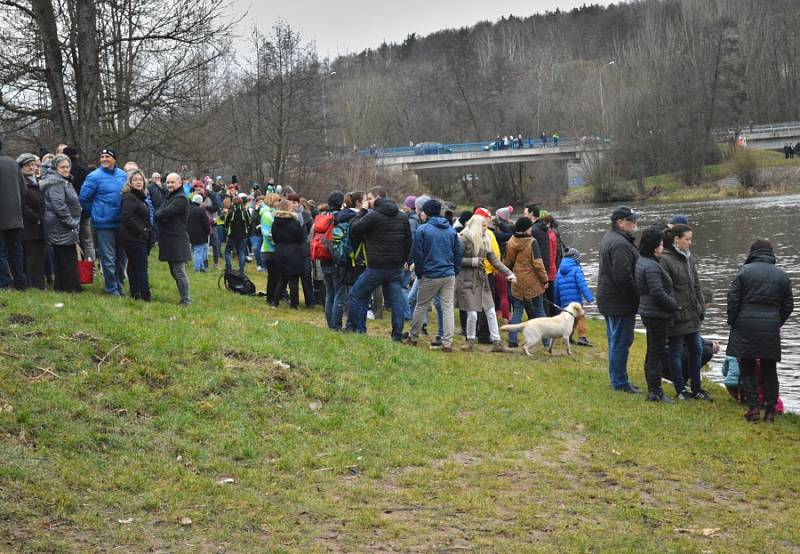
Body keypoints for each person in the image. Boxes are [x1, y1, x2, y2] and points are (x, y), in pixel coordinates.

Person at [726, 239, 794, 422]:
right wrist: (777, 321)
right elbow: (789, 305)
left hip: (745, 325)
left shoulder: (743, 272)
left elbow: (733, 299)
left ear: (752, 252)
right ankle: (770, 411)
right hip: (770, 326)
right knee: (769, 368)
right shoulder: (782, 275)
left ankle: (754, 407)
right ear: (770, 253)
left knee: (747, 366)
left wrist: (733, 321)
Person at [346, 187, 411, 341]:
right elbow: (408, 242)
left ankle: (356, 328)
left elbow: (354, 229)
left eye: (369, 198)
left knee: (356, 294)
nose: (367, 201)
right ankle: (396, 335)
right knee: (396, 302)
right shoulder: (402, 217)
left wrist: (361, 211)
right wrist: (403, 260)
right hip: (395, 267)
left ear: (375, 199)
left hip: (376, 267)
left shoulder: (374, 216)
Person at [660, 224, 712, 401]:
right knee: (675, 352)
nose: (690, 243)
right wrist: (675, 311)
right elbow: (666, 291)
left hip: (693, 314)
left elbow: (696, 284)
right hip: (677, 316)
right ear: (677, 239)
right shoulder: (665, 260)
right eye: (687, 239)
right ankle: (681, 389)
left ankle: (697, 388)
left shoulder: (689, 257)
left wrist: (700, 307)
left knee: (697, 350)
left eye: (691, 239)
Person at [405, 199, 462, 352]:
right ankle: (447, 343)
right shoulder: (450, 230)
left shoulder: (423, 230)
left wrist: (420, 273)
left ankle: (413, 337)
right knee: (447, 308)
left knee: (421, 305)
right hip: (448, 274)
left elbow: (417, 254)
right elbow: (458, 253)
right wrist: (455, 271)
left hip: (430, 274)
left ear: (427, 213)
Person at [456, 209, 517, 352]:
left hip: (482, 280)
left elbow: (494, 260)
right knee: (472, 313)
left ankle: (497, 342)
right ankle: (470, 341)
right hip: (466, 282)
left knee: (490, 311)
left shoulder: (486, 238)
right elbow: (456, 260)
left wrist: (509, 274)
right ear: (477, 226)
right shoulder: (463, 238)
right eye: (484, 225)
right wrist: (473, 262)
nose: (486, 228)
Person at [597, 206, 641, 393]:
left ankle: (617, 379)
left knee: (615, 340)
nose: (634, 223)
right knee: (621, 341)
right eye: (631, 220)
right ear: (620, 222)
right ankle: (620, 382)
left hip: (610, 299)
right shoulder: (620, 244)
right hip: (619, 301)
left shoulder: (612, 238)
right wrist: (638, 294)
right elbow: (623, 277)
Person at [634, 226, 677, 402]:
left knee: (653, 351)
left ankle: (654, 389)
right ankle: (655, 391)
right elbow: (657, 292)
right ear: (654, 246)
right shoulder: (651, 266)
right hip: (656, 314)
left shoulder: (642, 261)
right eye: (660, 244)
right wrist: (674, 305)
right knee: (656, 353)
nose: (662, 247)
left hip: (648, 311)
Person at [79, 148, 127, 296]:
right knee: (108, 258)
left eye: (107, 157)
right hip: (103, 224)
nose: (104, 159)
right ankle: (111, 288)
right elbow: (84, 198)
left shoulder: (123, 175)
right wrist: (96, 211)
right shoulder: (93, 177)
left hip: (121, 222)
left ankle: (120, 285)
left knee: (121, 258)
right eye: (102, 157)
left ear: (114, 159)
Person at [503, 216, 549, 349]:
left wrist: (510, 275)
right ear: (527, 228)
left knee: (517, 310)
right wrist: (545, 279)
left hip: (517, 280)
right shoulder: (532, 242)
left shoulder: (511, 241)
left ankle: (512, 340)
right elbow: (538, 263)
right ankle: (546, 342)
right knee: (540, 310)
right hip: (532, 281)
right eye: (530, 227)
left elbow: (507, 262)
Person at [40, 154, 82, 292]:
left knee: (64, 258)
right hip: (60, 225)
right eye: (62, 167)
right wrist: (71, 223)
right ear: (55, 168)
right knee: (67, 258)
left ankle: (62, 287)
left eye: (67, 166)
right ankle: (71, 288)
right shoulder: (55, 182)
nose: (66, 169)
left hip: (63, 224)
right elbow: (59, 206)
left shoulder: (62, 180)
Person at [156, 173, 191, 305]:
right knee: (173, 270)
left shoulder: (181, 198)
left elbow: (163, 213)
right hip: (169, 238)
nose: (169, 185)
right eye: (168, 182)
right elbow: (161, 212)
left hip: (177, 239)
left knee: (179, 271)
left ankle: (186, 300)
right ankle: (183, 297)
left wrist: (161, 215)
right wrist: (161, 215)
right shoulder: (170, 196)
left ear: (180, 183)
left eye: (172, 182)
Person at [118, 169, 152, 301]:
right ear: (130, 183)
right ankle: (145, 295)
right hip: (133, 238)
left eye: (140, 180)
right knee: (141, 267)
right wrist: (142, 231)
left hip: (138, 237)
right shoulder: (129, 197)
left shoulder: (140, 197)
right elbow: (127, 217)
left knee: (133, 266)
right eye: (135, 180)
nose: (138, 182)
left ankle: (135, 293)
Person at [0, 138, 27, 290]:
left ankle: (4, 284)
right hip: (15, 216)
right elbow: (24, 191)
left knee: (1, 252)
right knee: (16, 251)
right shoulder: (13, 164)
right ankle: (20, 283)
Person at [554, 248, 594, 346]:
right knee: (580, 317)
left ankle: (569, 337)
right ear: (575, 259)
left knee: (570, 319)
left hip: (564, 301)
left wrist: (557, 302)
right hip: (575, 301)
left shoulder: (559, 271)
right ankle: (582, 337)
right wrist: (589, 298)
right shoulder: (576, 270)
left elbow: (556, 287)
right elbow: (582, 285)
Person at [270, 199, 306, 309]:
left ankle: (275, 302)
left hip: (280, 250)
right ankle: (294, 304)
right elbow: (301, 238)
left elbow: (274, 238)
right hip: (293, 251)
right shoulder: (294, 223)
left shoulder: (275, 223)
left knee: (282, 278)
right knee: (293, 279)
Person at [18, 154, 46, 289]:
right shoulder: (21, 182)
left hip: (39, 227)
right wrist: (36, 218)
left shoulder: (37, 181)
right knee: (31, 258)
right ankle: (33, 285)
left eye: (32, 164)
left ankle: (38, 284)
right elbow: (22, 205)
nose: (31, 167)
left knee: (38, 258)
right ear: (21, 168)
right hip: (28, 227)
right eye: (27, 165)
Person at [63, 146, 94, 261]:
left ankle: (76, 265)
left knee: (73, 240)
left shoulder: (65, 170)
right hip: (84, 210)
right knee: (87, 240)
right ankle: (90, 269)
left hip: (69, 211)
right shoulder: (85, 170)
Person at [223, 193, 248, 273]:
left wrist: (227, 231)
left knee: (227, 251)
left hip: (232, 235)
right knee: (241, 251)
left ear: (233, 203)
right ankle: (241, 270)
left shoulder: (230, 212)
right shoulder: (244, 212)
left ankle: (229, 268)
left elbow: (226, 223)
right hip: (243, 235)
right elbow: (249, 222)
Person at [187, 194, 211, 272]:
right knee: (198, 251)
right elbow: (206, 223)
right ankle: (197, 269)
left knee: (197, 251)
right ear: (200, 202)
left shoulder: (188, 209)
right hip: (200, 235)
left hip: (189, 233)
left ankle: (202, 267)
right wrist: (208, 232)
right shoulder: (201, 210)